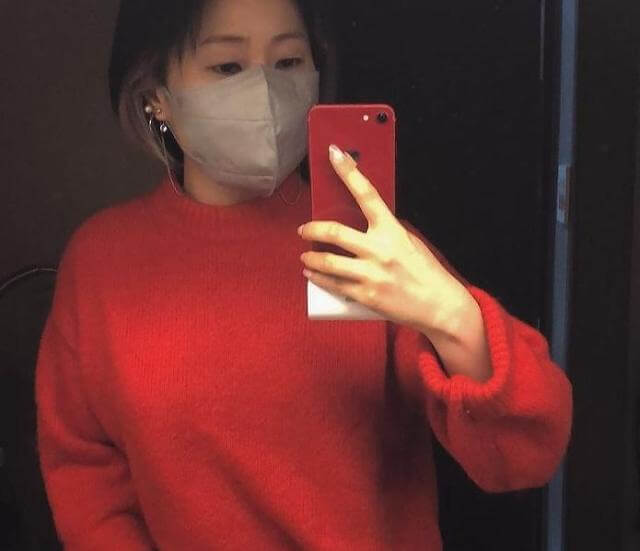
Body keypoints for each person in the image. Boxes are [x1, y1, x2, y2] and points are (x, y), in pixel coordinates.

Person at [34, 0, 573, 549]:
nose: (265, 90)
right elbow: (86, 471)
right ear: (155, 96)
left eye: (289, 61)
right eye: (227, 66)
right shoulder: (103, 262)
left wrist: (452, 316)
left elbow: (523, 457)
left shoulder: (373, 247)